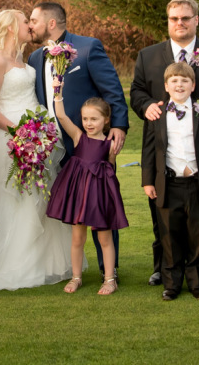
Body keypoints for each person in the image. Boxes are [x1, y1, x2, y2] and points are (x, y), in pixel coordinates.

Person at [130, 0, 199, 287]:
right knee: (162, 211)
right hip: (164, 151)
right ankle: (163, 267)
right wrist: (146, 106)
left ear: (196, 20)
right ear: (168, 21)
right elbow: (137, 91)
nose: (180, 23)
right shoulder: (148, 56)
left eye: (185, 18)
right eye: (174, 18)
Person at [0, 9, 77, 291]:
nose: (30, 26)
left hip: (36, 134)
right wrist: (17, 131)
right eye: (25, 21)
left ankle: (39, 262)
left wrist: (38, 131)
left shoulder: (25, 58)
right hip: (9, 138)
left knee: (38, 197)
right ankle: (10, 263)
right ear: (10, 27)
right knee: (14, 198)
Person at [27, 2, 129, 282]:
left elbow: (112, 89)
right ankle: (69, 268)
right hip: (51, 147)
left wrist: (118, 124)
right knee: (68, 208)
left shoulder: (87, 48)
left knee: (101, 204)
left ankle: (109, 269)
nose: (29, 25)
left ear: (51, 23)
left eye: (33, 20)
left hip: (89, 142)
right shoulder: (34, 57)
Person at [141, 62, 199, 301]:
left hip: (198, 183)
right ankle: (172, 284)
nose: (179, 85)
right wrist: (148, 181)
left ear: (193, 85)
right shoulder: (157, 113)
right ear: (166, 86)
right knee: (170, 236)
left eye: (185, 81)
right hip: (168, 184)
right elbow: (149, 148)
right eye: (174, 81)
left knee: (198, 235)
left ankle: (197, 283)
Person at [47, 85, 128, 295]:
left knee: (104, 238)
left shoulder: (110, 146)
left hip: (99, 197)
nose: (89, 123)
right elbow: (62, 116)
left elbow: (110, 172)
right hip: (79, 194)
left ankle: (110, 279)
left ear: (106, 120)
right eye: (85, 119)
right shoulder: (78, 137)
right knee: (77, 238)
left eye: (94, 119)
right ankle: (76, 277)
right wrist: (58, 92)